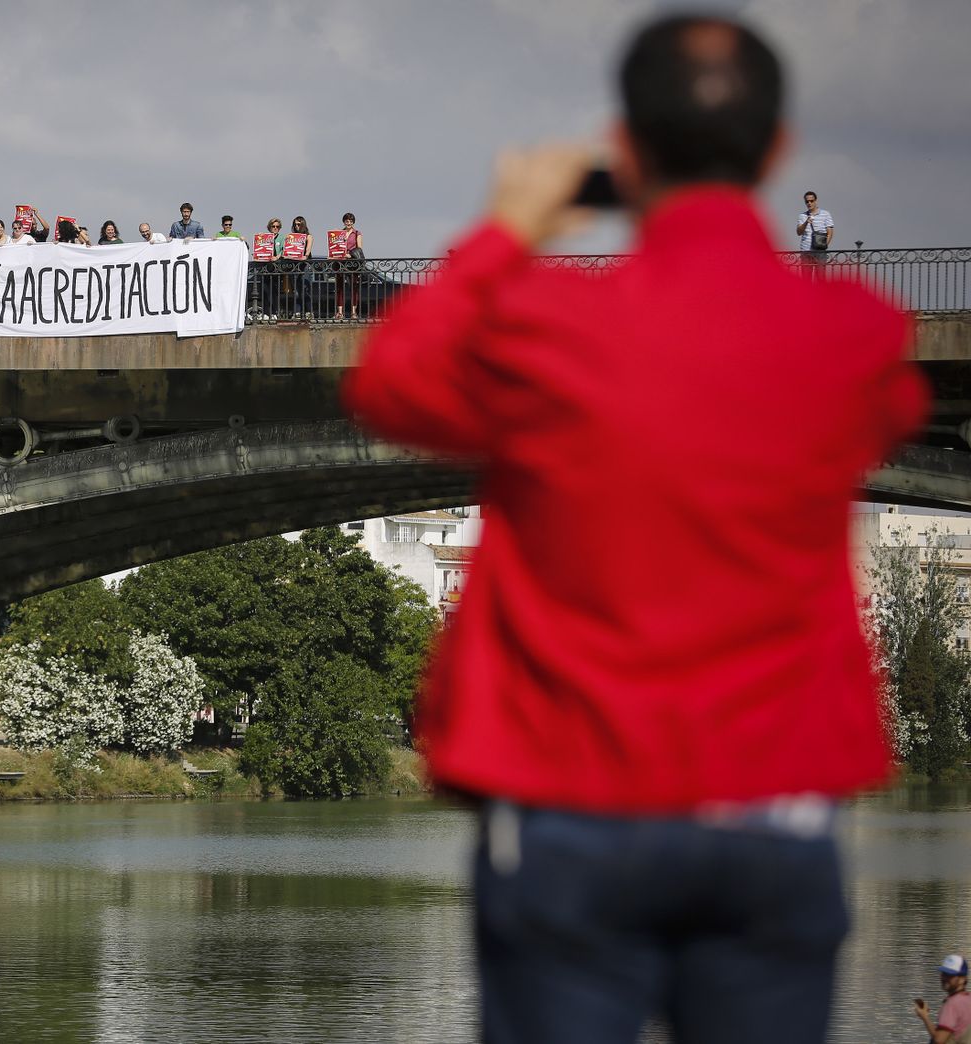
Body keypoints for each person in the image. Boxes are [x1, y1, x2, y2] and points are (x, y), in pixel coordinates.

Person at [341, 14, 925, 1043]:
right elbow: (886, 410)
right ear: (776, 151)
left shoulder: (546, 330)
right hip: (771, 812)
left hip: (571, 807)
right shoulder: (853, 336)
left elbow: (390, 382)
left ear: (625, 149)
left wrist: (501, 235)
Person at [916, 955, 971, 1044]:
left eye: (950, 975)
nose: (944, 978)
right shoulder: (968, 999)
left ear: (962, 979)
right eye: (943, 973)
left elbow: (939, 1040)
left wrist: (924, 1017)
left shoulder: (952, 1003)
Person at [280, 215, 314, 317]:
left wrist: (306, 255)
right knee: (296, 291)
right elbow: (287, 249)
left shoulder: (308, 236)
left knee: (305, 289)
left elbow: (308, 249)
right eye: (295, 224)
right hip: (294, 265)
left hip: (304, 265)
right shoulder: (291, 237)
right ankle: (297, 312)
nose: (296, 226)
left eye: (299, 224)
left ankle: (309, 312)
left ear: (303, 224)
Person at [334, 212, 365, 320]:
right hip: (340, 262)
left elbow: (359, 248)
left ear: (353, 222)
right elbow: (335, 246)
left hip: (352, 262)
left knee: (354, 287)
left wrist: (349, 254)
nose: (349, 223)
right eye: (347, 221)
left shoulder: (357, 233)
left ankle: (353, 312)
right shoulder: (339, 233)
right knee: (339, 287)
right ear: (344, 221)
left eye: (351, 221)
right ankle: (340, 312)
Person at [254, 217, 283, 318]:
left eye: (277, 227)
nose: (275, 228)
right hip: (265, 267)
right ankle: (266, 313)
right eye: (273, 226)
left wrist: (277, 257)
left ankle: (274, 312)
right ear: (269, 227)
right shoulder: (264, 237)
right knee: (265, 291)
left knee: (274, 292)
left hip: (276, 268)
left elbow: (284, 250)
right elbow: (260, 249)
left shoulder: (281, 238)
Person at [797, 189, 835, 258]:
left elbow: (830, 233)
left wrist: (823, 246)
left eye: (811, 201)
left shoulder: (826, 214)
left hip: (820, 251)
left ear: (815, 201)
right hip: (806, 251)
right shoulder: (802, 216)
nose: (809, 203)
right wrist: (806, 222)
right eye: (807, 201)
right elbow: (799, 233)